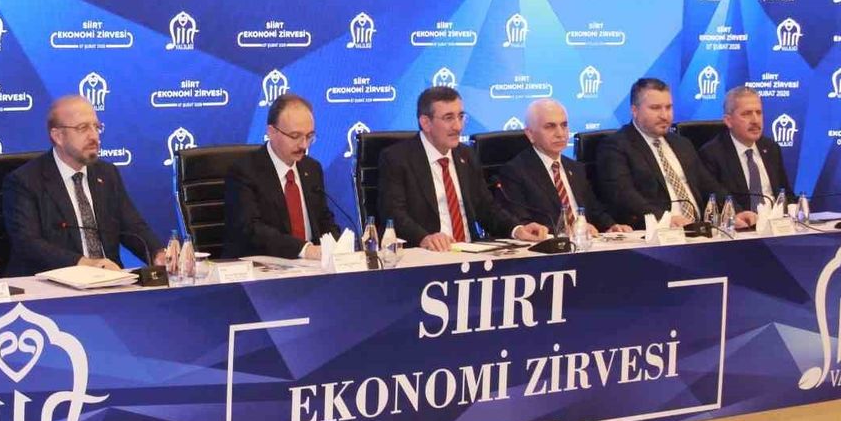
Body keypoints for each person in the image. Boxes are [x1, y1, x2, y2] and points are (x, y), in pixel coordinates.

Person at [2, 95, 164, 276]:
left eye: (96, 127)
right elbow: (28, 244)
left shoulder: (107, 173)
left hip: (111, 281)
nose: (94, 136)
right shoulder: (25, 181)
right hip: (52, 284)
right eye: (83, 128)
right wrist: (85, 264)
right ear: (58, 136)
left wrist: (158, 254)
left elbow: (133, 227)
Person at [378, 87, 549, 251]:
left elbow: (486, 208)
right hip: (429, 253)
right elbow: (393, 214)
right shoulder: (398, 158)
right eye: (448, 118)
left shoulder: (466, 155)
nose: (458, 127)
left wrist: (517, 229)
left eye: (460, 117)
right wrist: (424, 238)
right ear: (426, 123)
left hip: (470, 251)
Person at [597, 78, 756, 230]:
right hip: (658, 234)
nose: (664, 115)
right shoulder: (616, 146)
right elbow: (624, 196)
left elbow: (709, 185)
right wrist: (666, 219)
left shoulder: (682, 144)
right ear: (634, 110)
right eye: (655, 108)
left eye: (668, 107)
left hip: (700, 230)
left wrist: (735, 211)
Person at [223, 94, 339, 259]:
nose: (304, 145)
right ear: (271, 132)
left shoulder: (312, 168)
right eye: (295, 136)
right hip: (264, 267)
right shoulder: (244, 171)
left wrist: (336, 246)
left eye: (309, 136)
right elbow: (252, 230)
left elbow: (324, 220)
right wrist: (304, 250)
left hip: (312, 267)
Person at [496, 98, 633, 235]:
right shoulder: (515, 172)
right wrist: (567, 230)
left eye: (564, 125)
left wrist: (611, 226)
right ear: (530, 134)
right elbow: (523, 222)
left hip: (585, 242)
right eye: (550, 126)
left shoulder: (576, 168)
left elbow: (594, 210)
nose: (560, 134)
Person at [698, 86, 792, 213]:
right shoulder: (712, 154)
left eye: (758, 112)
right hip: (742, 222)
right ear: (728, 121)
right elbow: (718, 203)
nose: (755, 120)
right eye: (747, 114)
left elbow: (787, 195)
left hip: (777, 222)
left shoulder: (771, 148)